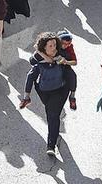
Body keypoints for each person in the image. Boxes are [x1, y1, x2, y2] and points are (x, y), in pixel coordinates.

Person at [20, 30, 78, 159]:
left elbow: (73, 64)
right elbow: (31, 67)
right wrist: (26, 96)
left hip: (61, 89)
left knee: (53, 114)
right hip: (44, 90)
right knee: (51, 111)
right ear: (44, 47)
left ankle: (51, 145)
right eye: (50, 46)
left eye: (54, 45)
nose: (54, 48)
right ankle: (55, 132)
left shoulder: (61, 54)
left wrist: (62, 61)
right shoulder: (38, 58)